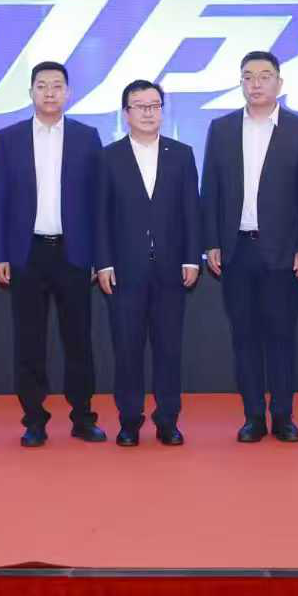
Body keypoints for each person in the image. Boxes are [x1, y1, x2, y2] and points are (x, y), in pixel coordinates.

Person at [200, 51, 298, 443]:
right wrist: (211, 242)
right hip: (236, 250)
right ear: (241, 83)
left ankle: (283, 416)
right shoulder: (221, 129)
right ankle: (253, 416)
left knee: (281, 336)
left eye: (264, 76)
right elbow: (211, 190)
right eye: (248, 76)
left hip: (284, 253)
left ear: (279, 83)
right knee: (245, 336)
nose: (256, 83)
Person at [0, 61, 107, 447]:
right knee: (29, 342)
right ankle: (34, 420)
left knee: (78, 340)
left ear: (68, 93)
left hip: (74, 253)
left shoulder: (87, 137)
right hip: (27, 254)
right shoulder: (8, 139)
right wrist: (0, 253)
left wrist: (98, 256)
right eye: (42, 85)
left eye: (57, 85)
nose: (50, 92)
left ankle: (83, 417)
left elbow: (98, 203)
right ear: (31, 92)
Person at [94, 80, 202, 447]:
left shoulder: (181, 154)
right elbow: (100, 215)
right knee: (127, 349)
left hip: (171, 269)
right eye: (139, 106)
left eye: (154, 105)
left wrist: (192, 257)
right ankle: (129, 420)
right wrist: (103, 263)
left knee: (169, 350)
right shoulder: (108, 157)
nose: (148, 112)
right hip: (125, 271)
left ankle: (168, 420)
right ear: (126, 113)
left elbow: (191, 210)